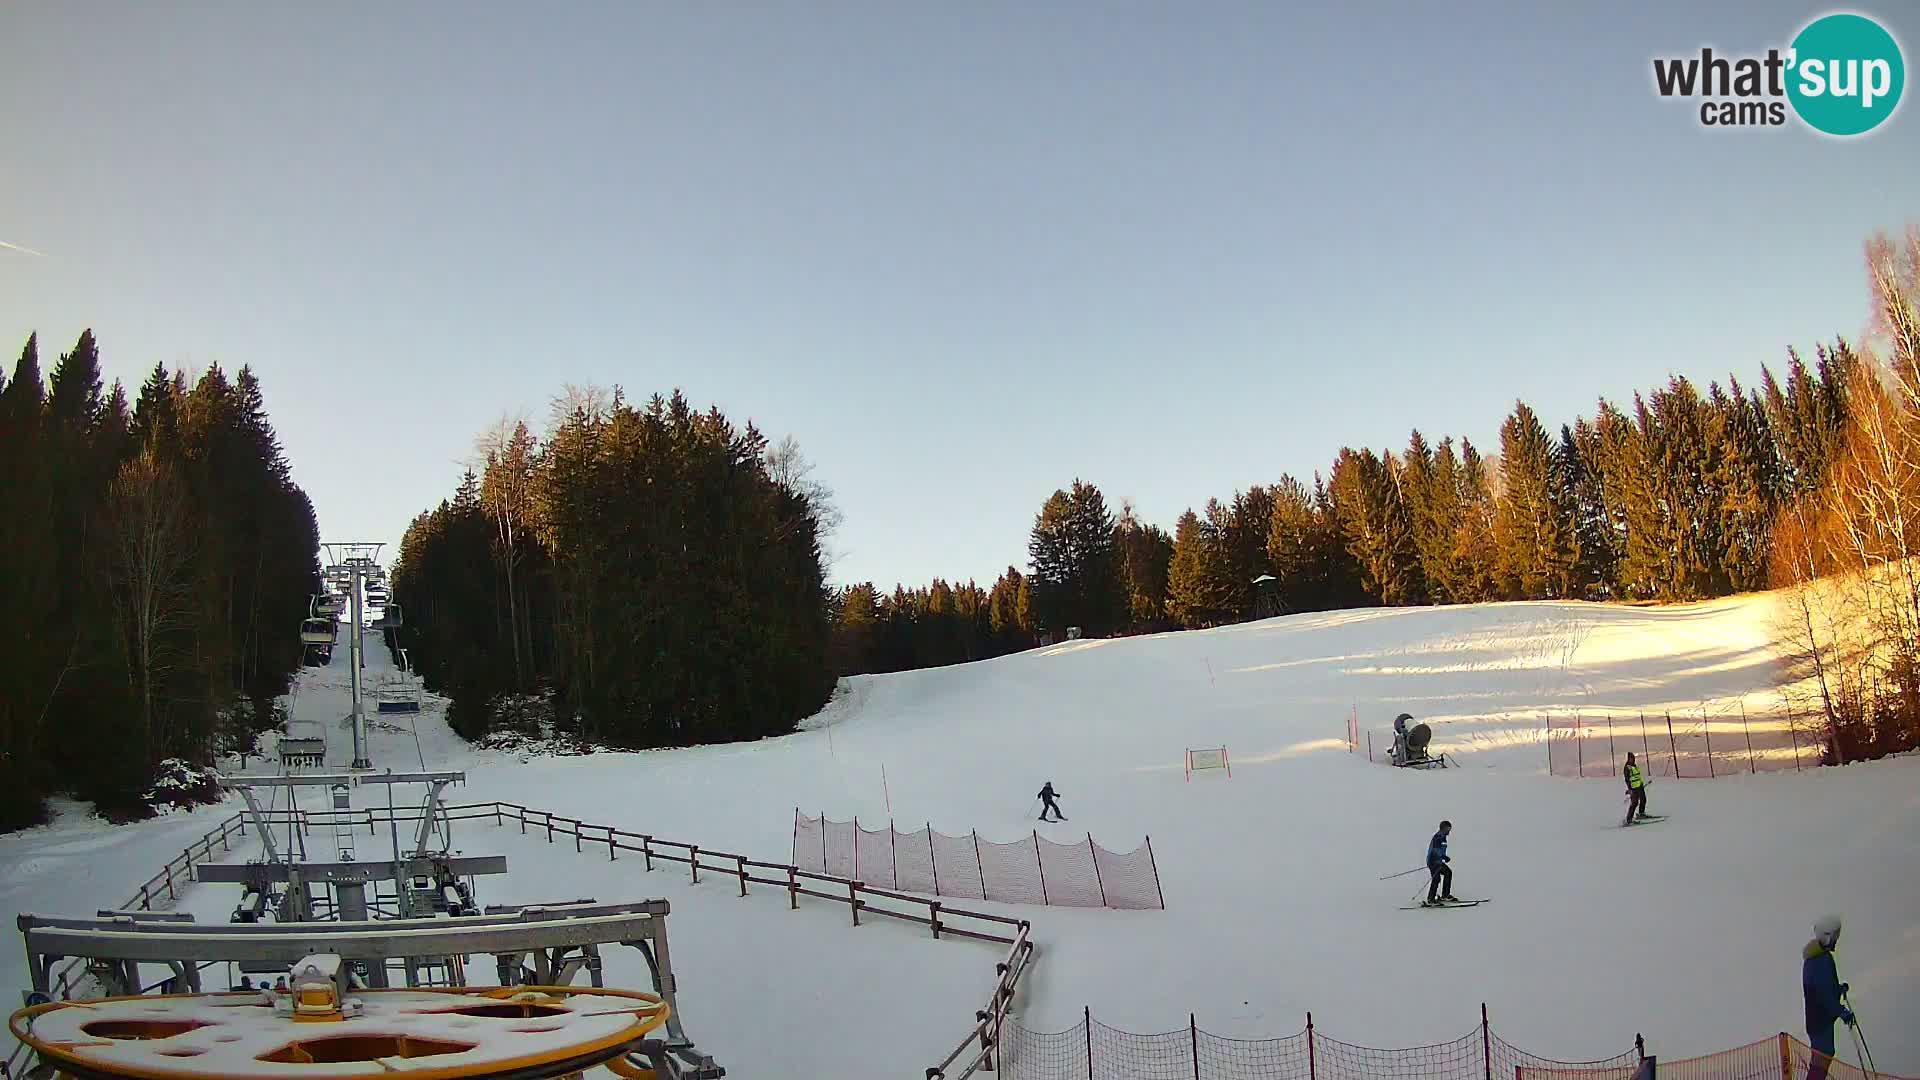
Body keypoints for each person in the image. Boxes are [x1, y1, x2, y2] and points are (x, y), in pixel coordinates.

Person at [1803, 914, 1856, 1080]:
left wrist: (1838, 990)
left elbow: (1823, 989)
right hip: (1820, 1021)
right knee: (1823, 1057)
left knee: (1824, 1056)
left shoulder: (1815, 959)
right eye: (1835, 937)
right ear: (1827, 937)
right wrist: (1842, 1012)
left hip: (1818, 1019)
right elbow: (1824, 997)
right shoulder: (1821, 961)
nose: (1836, 940)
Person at [1425, 820, 1455, 904]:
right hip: (1433, 862)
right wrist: (1443, 857)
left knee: (1448, 873)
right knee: (1436, 879)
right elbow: (1434, 851)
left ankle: (1445, 895)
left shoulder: (1442, 837)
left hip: (1438, 862)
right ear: (1443, 828)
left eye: (1449, 829)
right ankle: (1431, 899)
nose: (1449, 831)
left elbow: (1440, 851)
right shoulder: (1438, 837)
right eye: (1448, 829)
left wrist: (1443, 857)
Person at [1624, 752, 1649, 821]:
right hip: (1634, 788)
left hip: (1640, 787)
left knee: (1643, 800)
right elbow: (1627, 779)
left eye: (1633, 758)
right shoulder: (1627, 768)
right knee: (1634, 803)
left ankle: (1641, 814)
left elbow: (1638, 777)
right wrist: (1630, 789)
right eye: (1631, 758)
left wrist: (1641, 784)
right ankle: (1629, 819)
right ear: (1628, 759)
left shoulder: (1634, 766)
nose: (1632, 759)